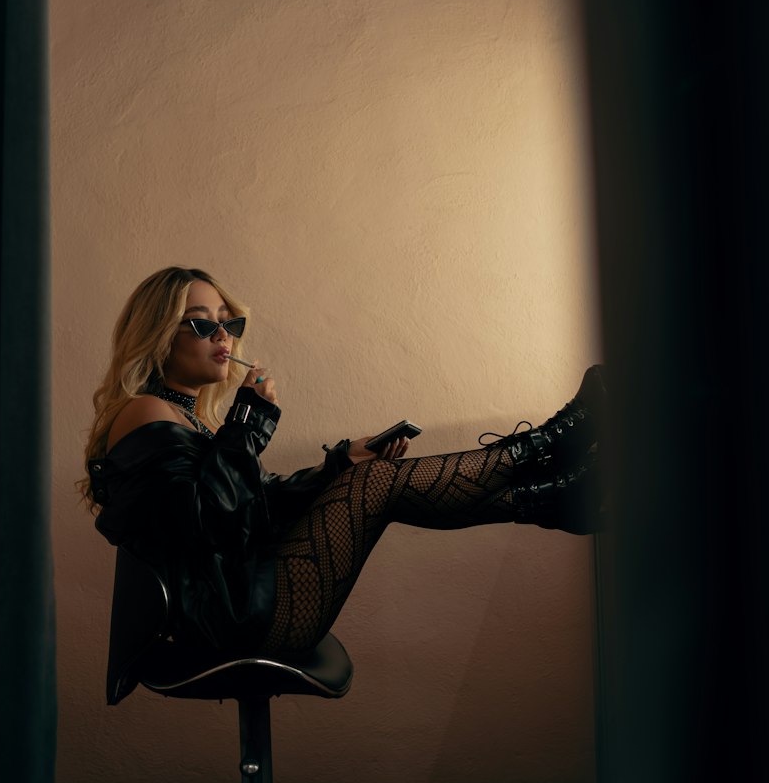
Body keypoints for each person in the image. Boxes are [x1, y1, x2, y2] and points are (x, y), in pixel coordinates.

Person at [82, 266, 604, 680]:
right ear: (158, 334)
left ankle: (550, 489)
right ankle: (545, 457)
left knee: (366, 476)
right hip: (228, 621)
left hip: (244, 601)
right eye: (202, 322)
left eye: (229, 321)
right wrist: (248, 419)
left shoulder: (187, 415)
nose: (224, 334)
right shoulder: (145, 411)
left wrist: (339, 463)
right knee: (373, 483)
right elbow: (212, 526)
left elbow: (253, 508)